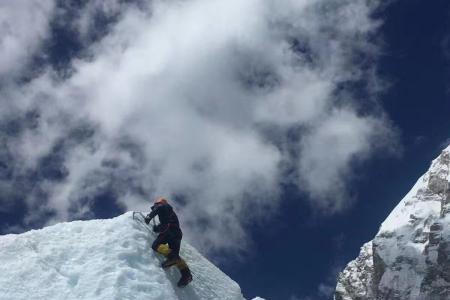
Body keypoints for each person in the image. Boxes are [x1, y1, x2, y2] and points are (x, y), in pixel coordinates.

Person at [145, 197, 193, 287]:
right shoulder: (170, 214)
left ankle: (171, 258)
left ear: (159, 203)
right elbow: (165, 223)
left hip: (169, 231)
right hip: (177, 234)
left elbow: (159, 209)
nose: (155, 206)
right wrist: (157, 228)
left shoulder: (163, 206)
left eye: (156, 204)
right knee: (175, 255)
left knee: (156, 245)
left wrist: (149, 216)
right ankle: (186, 275)